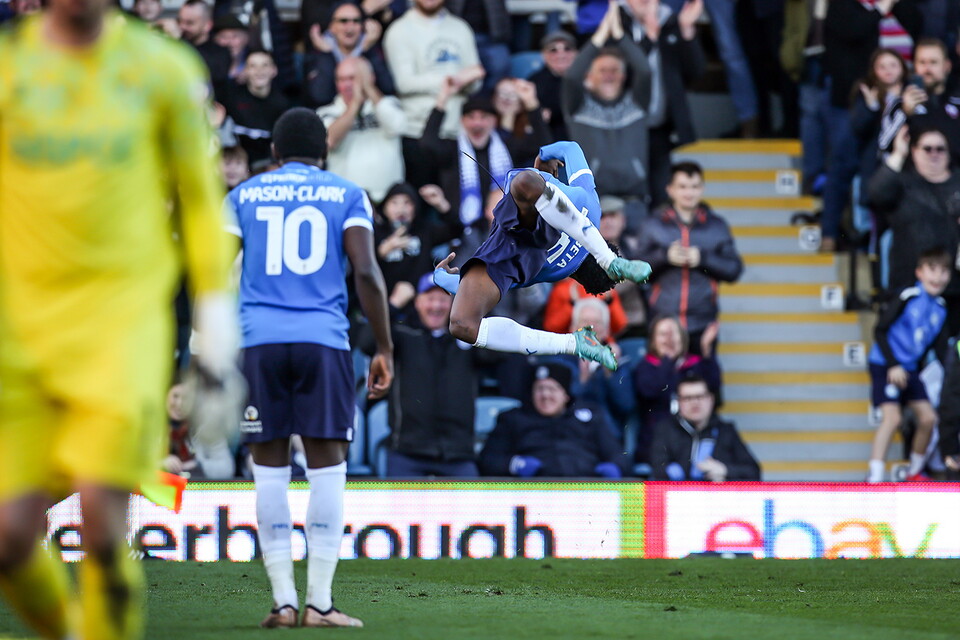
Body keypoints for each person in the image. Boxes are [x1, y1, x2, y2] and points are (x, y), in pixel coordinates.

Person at [0, 1, 237, 638]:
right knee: (9, 537)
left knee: (103, 528)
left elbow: (198, 197)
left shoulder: (163, 68)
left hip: (120, 328)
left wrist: (215, 322)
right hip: (19, 337)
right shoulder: (8, 69)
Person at [226, 108, 393, 628]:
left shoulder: (242, 196)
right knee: (328, 470)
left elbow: (209, 268)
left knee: (269, 473)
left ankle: (282, 601)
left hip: (260, 345)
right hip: (323, 341)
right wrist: (384, 345)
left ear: (273, 152)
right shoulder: (346, 194)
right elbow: (365, 270)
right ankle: (319, 602)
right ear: (324, 151)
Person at [434, 140, 654, 371]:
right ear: (578, 279)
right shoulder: (546, 274)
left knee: (526, 182)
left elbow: (570, 148)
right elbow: (478, 289)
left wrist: (543, 156)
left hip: (529, 223)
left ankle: (607, 261)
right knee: (462, 325)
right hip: (517, 243)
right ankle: (573, 343)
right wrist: (442, 278)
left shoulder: (593, 208)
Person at [361, 273, 489, 477]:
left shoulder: (467, 338)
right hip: (407, 454)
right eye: (430, 298)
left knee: (469, 509)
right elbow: (366, 342)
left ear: (454, 303)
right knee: (403, 510)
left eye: (443, 299)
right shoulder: (403, 335)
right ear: (417, 302)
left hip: (458, 455)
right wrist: (394, 303)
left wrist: (474, 307)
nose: (436, 306)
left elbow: (498, 354)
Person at [636, 162, 743, 354]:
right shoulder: (653, 224)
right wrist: (664, 256)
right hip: (663, 324)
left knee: (702, 381)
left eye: (694, 187)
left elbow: (734, 270)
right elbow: (634, 270)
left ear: (702, 189)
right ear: (670, 189)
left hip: (702, 323)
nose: (689, 193)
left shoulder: (717, 226)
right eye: (683, 186)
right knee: (663, 382)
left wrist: (702, 259)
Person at [563, 0, 652, 228]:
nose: (609, 75)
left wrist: (620, 36)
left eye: (614, 70)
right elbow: (571, 77)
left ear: (623, 76)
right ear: (590, 77)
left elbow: (644, 70)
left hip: (633, 204)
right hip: (591, 202)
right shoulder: (578, 106)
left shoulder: (636, 103)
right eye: (602, 70)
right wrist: (600, 36)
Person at [866, 248, 950, 483]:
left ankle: (914, 473)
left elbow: (942, 349)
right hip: (885, 364)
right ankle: (874, 477)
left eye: (944, 272)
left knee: (928, 419)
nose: (939, 277)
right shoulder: (908, 296)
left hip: (911, 370)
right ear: (919, 272)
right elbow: (879, 330)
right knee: (893, 418)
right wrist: (893, 365)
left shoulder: (941, 308)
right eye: (932, 270)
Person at [383, 0, 485, 187]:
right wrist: (454, 80)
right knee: (420, 202)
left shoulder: (460, 28)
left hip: (458, 132)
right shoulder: (399, 30)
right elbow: (404, 83)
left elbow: (476, 80)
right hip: (417, 132)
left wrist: (465, 81)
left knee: (457, 207)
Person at [867, 125, 960, 331]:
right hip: (907, 285)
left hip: (954, 290)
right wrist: (898, 154)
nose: (934, 154)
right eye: (927, 148)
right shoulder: (903, 183)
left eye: (940, 149)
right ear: (914, 151)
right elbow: (876, 194)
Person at [620, 0, 705, 206]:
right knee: (630, 196)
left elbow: (696, 72)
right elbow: (625, 74)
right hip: (624, 130)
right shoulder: (616, 25)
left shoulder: (672, 23)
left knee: (661, 194)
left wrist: (686, 31)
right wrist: (649, 37)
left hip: (661, 128)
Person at [478, 362, 628, 478]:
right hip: (532, 494)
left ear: (566, 395)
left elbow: (616, 454)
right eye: (539, 389)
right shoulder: (513, 418)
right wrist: (514, 465)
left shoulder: (591, 416)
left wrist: (614, 467)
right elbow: (489, 460)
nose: (545, 395)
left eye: (552, 389)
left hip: (585, 491)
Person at [317, 55, 407, 203]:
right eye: (341, 79)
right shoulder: (327, 112)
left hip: (389, 200)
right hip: (345, 199)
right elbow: (330, 140)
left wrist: (369, 89)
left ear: (370, 78)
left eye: (352, 78)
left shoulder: (389, 103)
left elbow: (397, 126)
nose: (346, 85)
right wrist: (355, 104)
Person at [633, 316, 721, 464]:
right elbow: (649, 391)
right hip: (657, 440)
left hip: (695, 436)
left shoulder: (694, 364)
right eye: (663, 334)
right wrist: (667, 361)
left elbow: (714, 388)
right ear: (653, 341)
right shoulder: (646, 366)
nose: (669, 339)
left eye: (674, 333)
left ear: (683, 338)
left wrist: (706, 350)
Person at [649, 375, 760, 481]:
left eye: (700, 396)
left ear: (711, 399)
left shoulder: (726, 431)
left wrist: (725, 471)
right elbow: (658, 469)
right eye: (688, 398)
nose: (695, 402)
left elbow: (753, 472)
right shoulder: (665, 430)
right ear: (678, 402)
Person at [303, 0, 395, 108]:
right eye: (343, 21)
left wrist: (368, 50)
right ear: (332, 26)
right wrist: (326, 55)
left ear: (362, 26)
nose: (350, 27)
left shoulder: (370, 48)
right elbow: (321, 96)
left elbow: (387, 89)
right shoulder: (320, 52)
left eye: (356, 21)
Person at [224, 50, 291, 170]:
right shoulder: (231, 98)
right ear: (245, 71)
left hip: (268, 167)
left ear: (274, 70)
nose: (259, 71)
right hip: (235, 166)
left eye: (265, 65)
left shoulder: (282, 104)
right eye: (253, 66)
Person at [529, 30, 578, 141]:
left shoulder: (589, 77)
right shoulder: (534, 81)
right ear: (543, 55)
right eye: (553, 50)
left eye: (567, 49)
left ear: (576, 53)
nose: (561, 55)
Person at [178, 0, 231, 100]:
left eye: (189, 23)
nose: (182, 27)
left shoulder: (221, 53)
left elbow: (215, 75)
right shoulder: (175, 47)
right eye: (180, 21)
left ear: (207, 25)